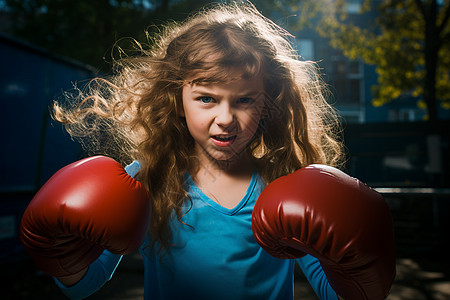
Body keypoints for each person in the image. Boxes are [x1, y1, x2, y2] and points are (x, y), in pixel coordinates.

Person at [20, 1, 396, 300]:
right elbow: (85, 285)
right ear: (176, 99)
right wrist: (64, 257)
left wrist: (363, 274)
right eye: (206, 98)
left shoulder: (284, 184)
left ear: (270, 103)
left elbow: (337, 293)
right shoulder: (148, 179)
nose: (226, 118)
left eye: (245, 99)